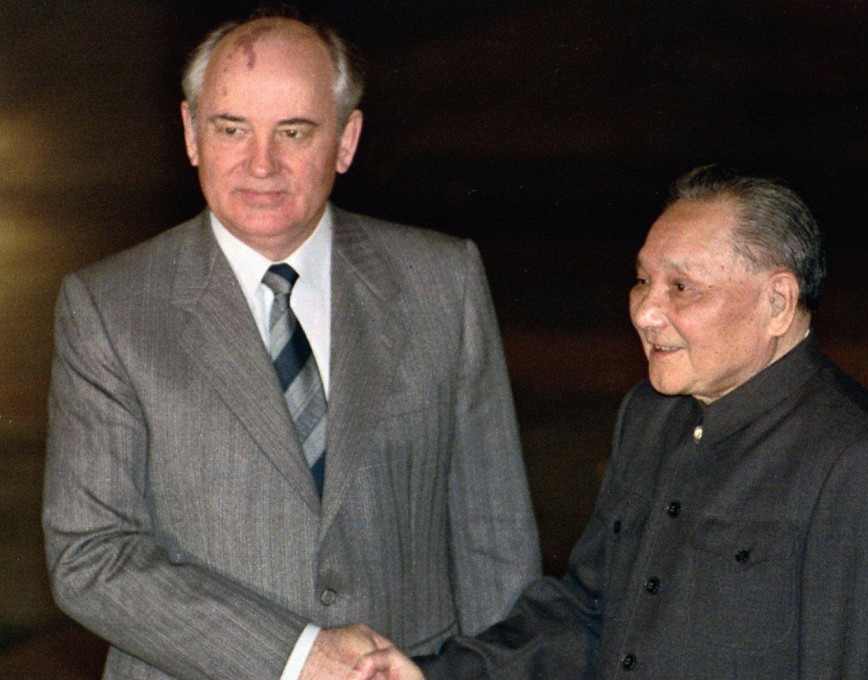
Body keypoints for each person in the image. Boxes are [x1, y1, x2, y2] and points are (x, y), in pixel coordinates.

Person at [42, 14, 540, 680]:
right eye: (231, 128)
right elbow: (90, 556)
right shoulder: (109, 308)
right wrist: (298, 655)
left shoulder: (441, 281)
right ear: (191, 133)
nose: (261, 164)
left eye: (295, 132)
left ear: (346, 139)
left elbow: (496, 540)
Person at [349, 165, 868, 679]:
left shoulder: (867, 465)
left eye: (682, 287)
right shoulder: (651, 416)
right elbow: (588, 614)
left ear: (777, 302)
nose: (646, 312)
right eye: (643, 280)